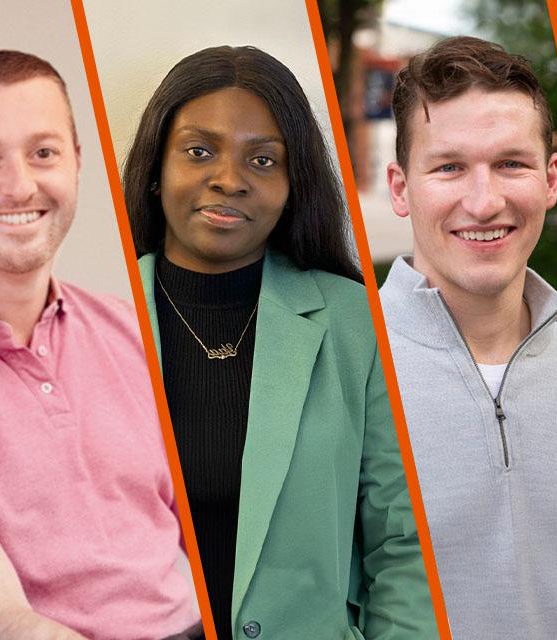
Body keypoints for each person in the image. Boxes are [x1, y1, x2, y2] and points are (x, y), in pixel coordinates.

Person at [121, 45, 438, 640]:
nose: (229, 179)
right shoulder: (92, 312)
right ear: (157, 165)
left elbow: (404, 543)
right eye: (199, 151)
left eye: (263, 160)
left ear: (294, 184)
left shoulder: (357, 324)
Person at [380, 36, 557, 639]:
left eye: (510, 163)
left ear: (550, 179)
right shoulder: (336, 374)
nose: (484, 202)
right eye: (449, 167)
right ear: (400, 188)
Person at [0, 51, 202, 639]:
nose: (19, 186)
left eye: (43, 153)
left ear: (77, 163)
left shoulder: (135, 330)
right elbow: (0, 621)